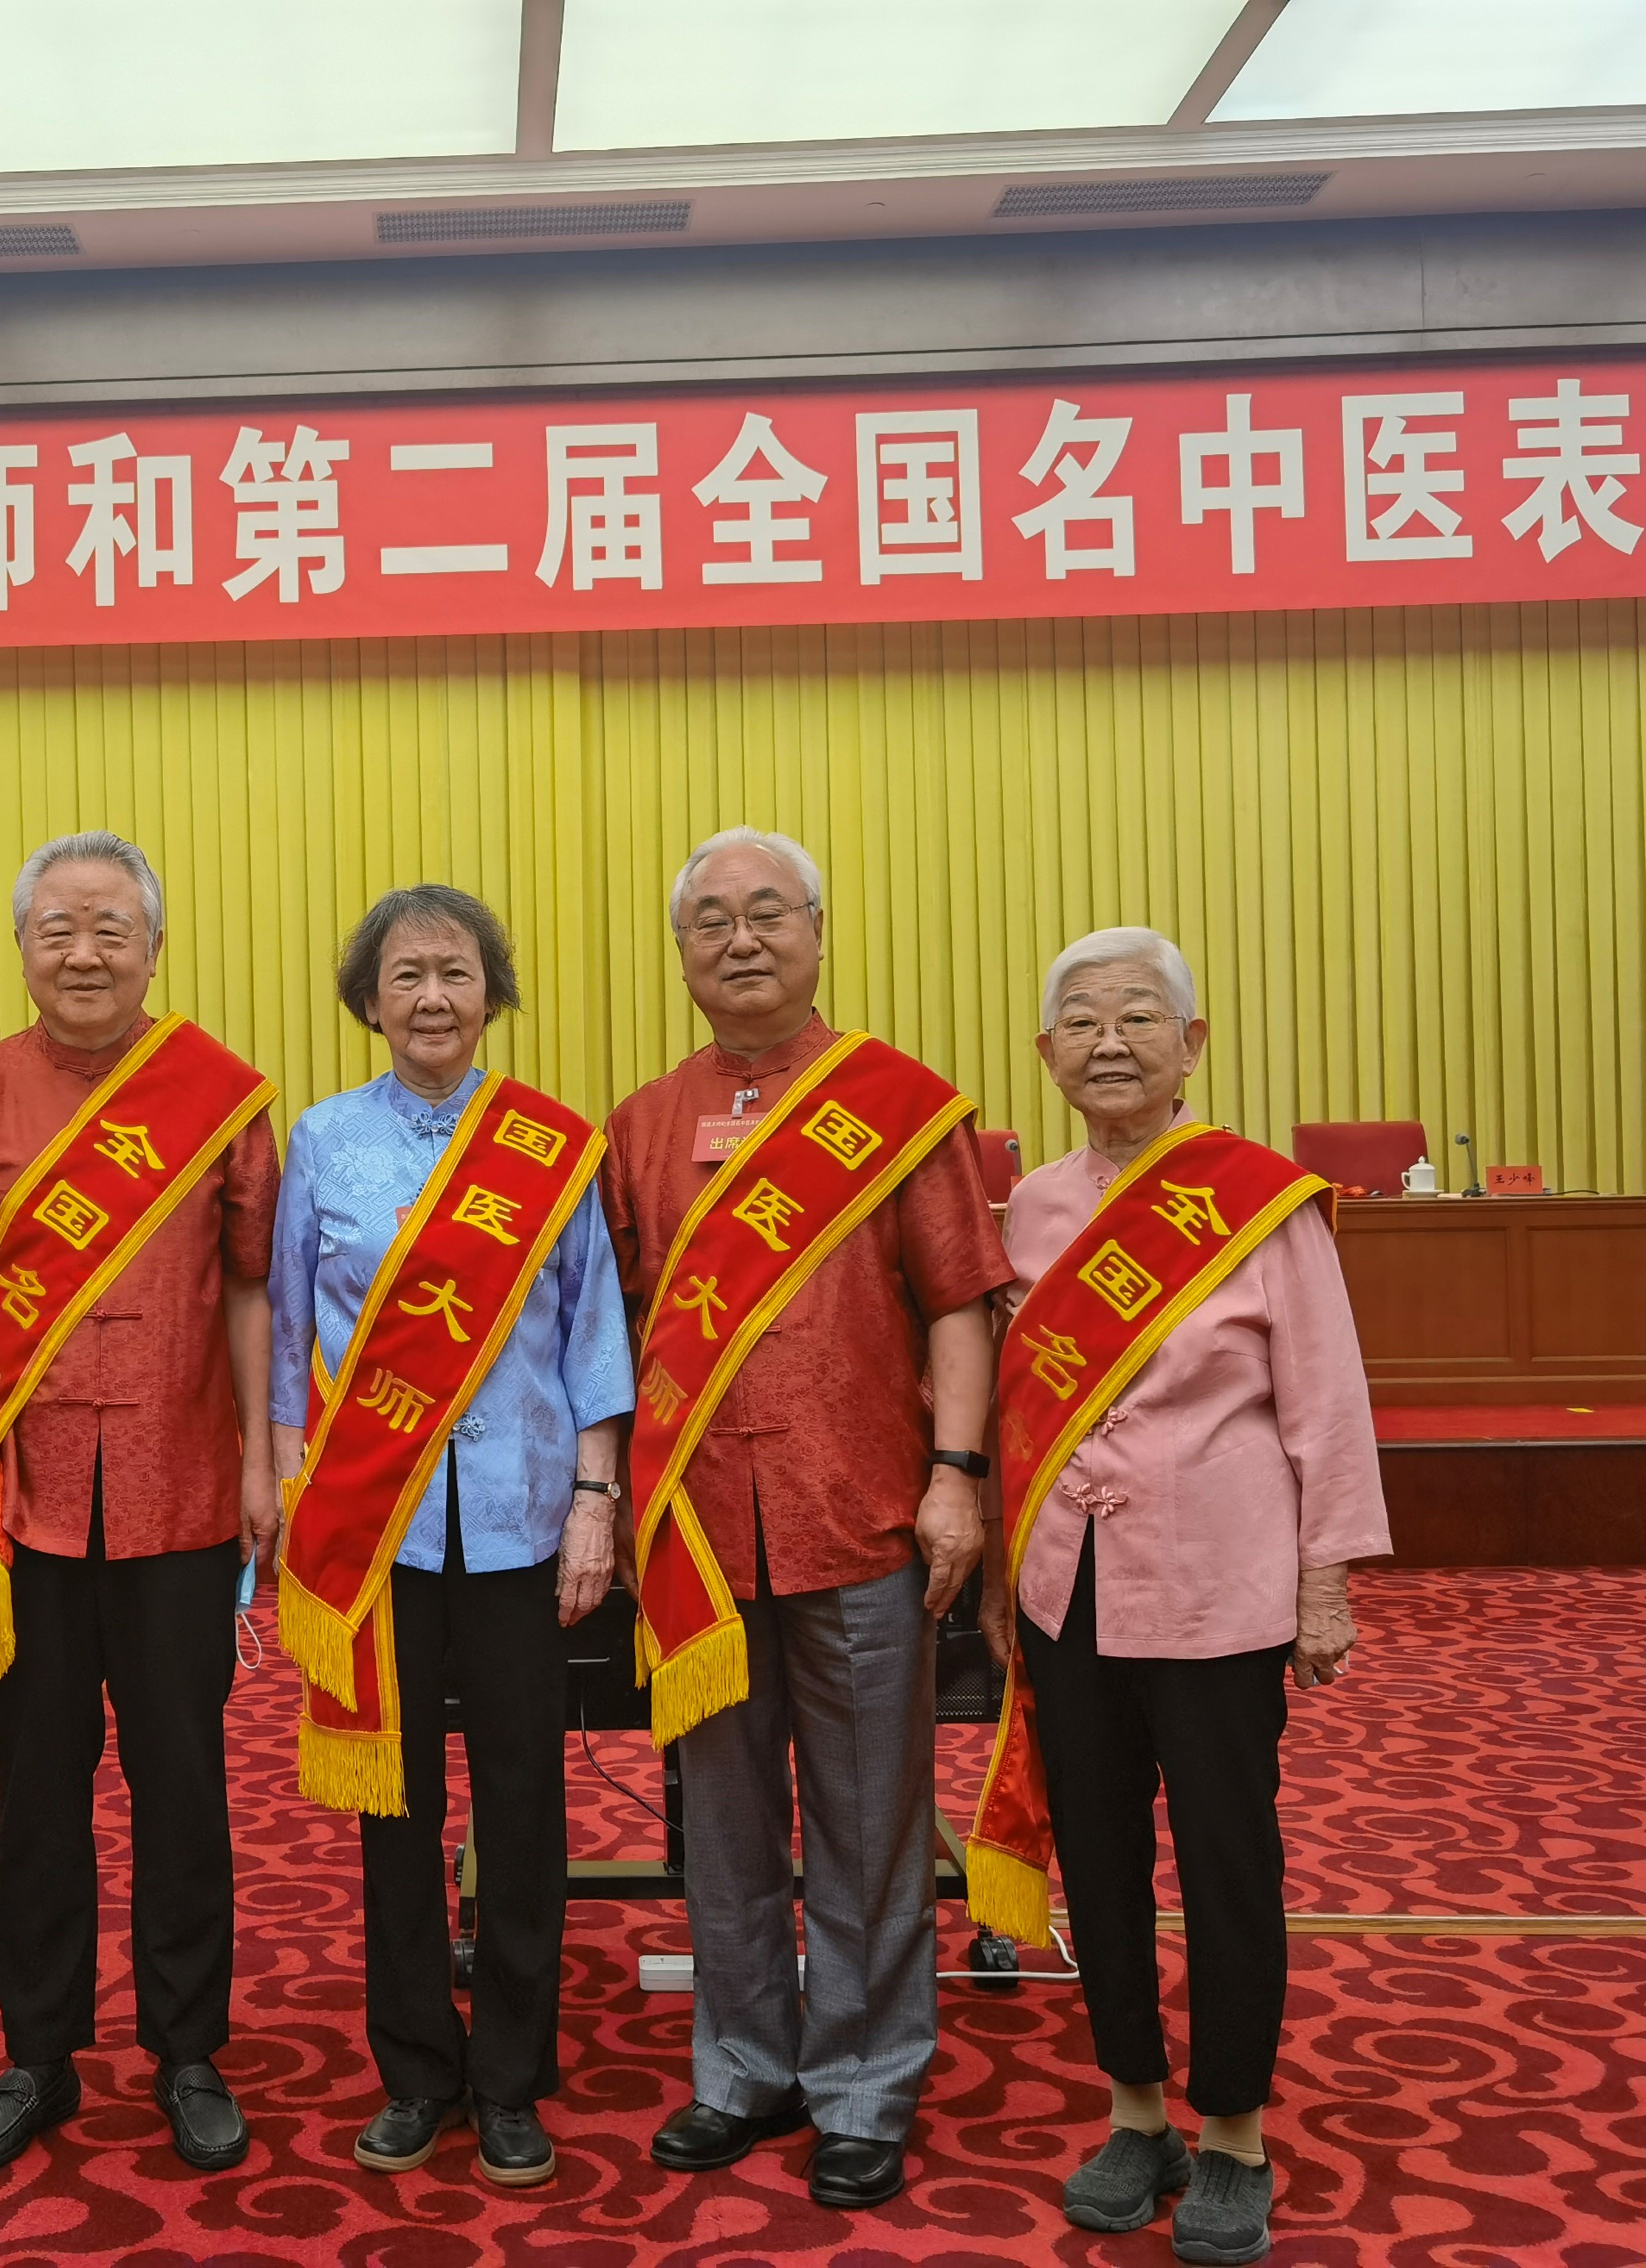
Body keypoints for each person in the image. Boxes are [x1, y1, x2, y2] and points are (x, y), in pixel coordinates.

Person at [599, 826, 1012, 2212]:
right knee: (721, 1823)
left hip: (861, 1511)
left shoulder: (897, 1107)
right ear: (681, 953)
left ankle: (863, 2085)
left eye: (768, 912)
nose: (740, 939)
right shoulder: (641, 1125)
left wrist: (956, 1473)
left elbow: (959, 1303)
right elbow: (614, 1328)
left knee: (870, 1820)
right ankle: (742, 2070)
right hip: (700, 1531)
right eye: (709, 920)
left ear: (819, 933)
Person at [966, 926, 1390, 2267]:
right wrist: (1002, 1564)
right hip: (1067, 1588)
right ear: (1046, 1055)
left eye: (1140, 1016)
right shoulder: (1028, 1209)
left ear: (1192, 1044)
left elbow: (1326, 1401)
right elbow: (1013, 1405)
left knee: (1225, 1863)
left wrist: (1326, 1580)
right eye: (1083, 1022)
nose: (1110, 1042)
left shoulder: (1260, 1202)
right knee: (1099, 1859)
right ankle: (1134, 2109)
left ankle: (1235, 2134)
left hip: (1219, 1583)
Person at [0, 830, 280, 2178]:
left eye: (111, 929)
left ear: (155, 948)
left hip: (182, 1495)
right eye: (57, 929)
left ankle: (189, 2052)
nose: (84, 953)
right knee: (36, 1793)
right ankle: (38, 2055)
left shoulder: (221, 1094)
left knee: (184, 1788)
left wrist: (260, 1457)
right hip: (30, 1508)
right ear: (20, 948)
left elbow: (253, 1285)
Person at [270, 884, 634, 2190]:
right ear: (369, 1000)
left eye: (457, 973)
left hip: (526, 1521)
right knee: (398, 1805)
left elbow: (594, 1334)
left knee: (525, 1803)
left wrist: (595, 1497)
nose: (433, 996)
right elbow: (284, 1338)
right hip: (381, 1532)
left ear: (493, 995)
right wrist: (289, 1492)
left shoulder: (551, 1146)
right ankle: (418, 2067)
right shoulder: (322, 1140)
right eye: (407, 975)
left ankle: (514, 2076)